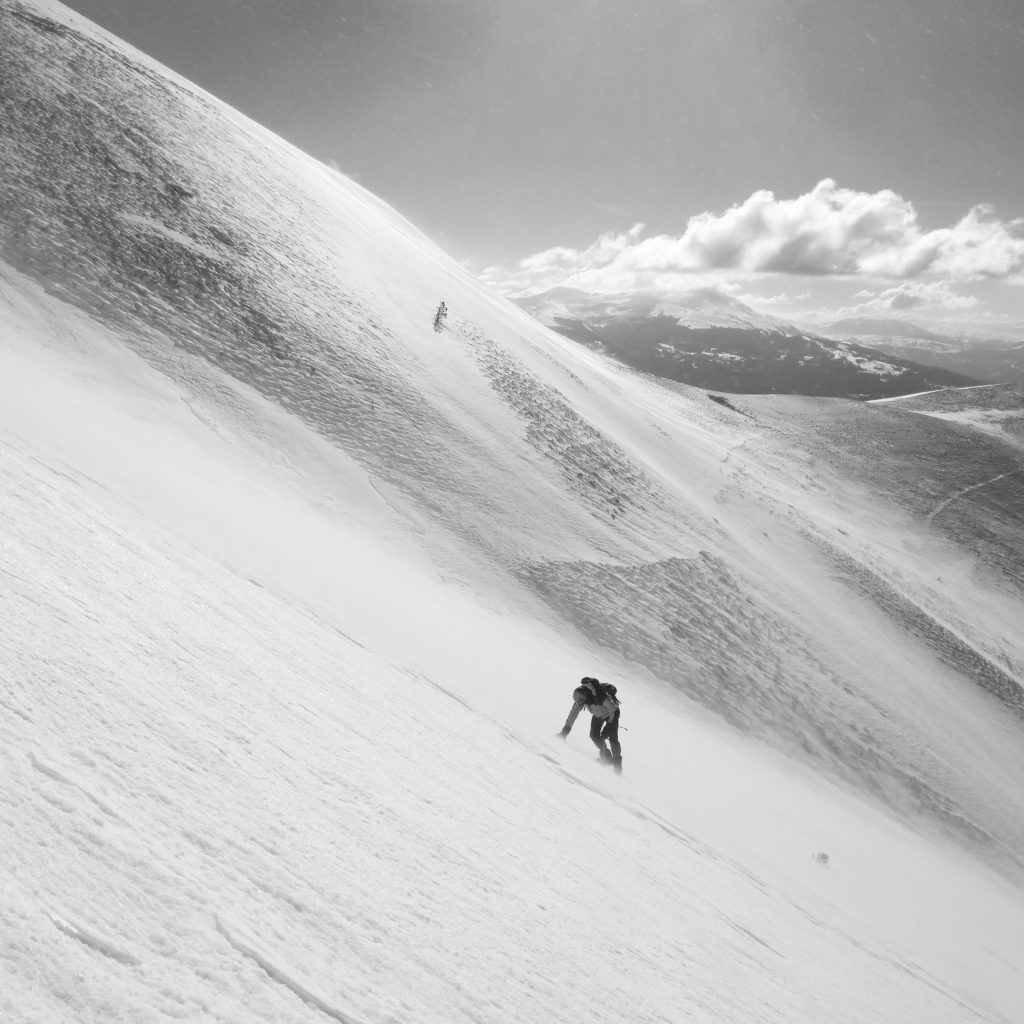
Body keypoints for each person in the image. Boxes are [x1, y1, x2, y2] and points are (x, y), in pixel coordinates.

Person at [558, 676, 622, 773]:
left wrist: (609, 725)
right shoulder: (581, 699)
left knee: (612, 739)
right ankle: (606, 757)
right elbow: (573, 714)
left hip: (612, 715)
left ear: (585, 695)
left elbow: (614, 709)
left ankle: (617, 766)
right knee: (594, 736)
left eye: (581, 701)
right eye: (579, 702)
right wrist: (565, 732)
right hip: (598, 715)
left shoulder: (600, 696)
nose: (580, 704)